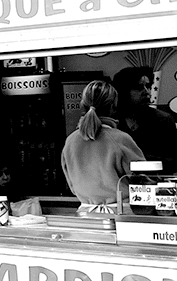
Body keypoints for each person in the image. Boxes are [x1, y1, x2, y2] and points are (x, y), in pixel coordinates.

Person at [61, 79, 144, 213]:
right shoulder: (120, 139)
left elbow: (71, 183)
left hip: (86, 214)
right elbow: (143, 180)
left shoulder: (70, 141)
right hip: (121, 213)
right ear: (112, 107)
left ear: (83, 104)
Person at [112, 66, 177, 174]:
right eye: (139, 88)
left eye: (149, 86)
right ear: (124, 91)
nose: (147, 92)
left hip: (155, 181)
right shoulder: (112, 121)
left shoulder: (164, 120)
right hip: (119, 183)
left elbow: (176, 163)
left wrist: (139, 160)